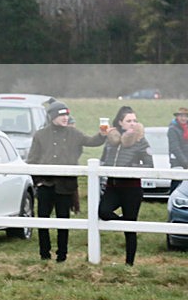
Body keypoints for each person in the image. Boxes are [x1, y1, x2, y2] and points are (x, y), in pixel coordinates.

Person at [27, 101, 107, 262]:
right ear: (52, 117)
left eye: (66, 115)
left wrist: (102, 135)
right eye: (61, 115)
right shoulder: (40, 135)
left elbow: (92, 142)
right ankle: (44, 254)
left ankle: (62, 255)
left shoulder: (74, 134)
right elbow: (32, 160)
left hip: (65, 185)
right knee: (43, 220)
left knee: (63, 220)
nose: (65, 118)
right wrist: (38, 181)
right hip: (45, 184)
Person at [98, 106, 153, 266]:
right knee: (103, 211)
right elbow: (103, 160)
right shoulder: (111, 140)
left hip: (131, 188)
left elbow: (149, 165)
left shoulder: (141, 140)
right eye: (129, 120)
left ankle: (129, 263)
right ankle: (124, 222)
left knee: (130, 229)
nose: (132, 123)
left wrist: (131, 169)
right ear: (120, 123)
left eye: (135, 120)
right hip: (112, 187)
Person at [167, 106, 188, 193]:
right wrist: (185, 162)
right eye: (181, 116)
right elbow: (175, 148)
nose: (183, 118)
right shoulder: (172, 129)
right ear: (177, 117)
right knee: (177, 185)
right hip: (177, 162)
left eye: (186, 116)